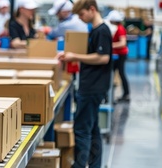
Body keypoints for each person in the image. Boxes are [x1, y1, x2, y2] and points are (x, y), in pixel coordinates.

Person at [56, 0, 112, 167]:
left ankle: (79, 165)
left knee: (81, 130)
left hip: (92, 88)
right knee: (93, 129)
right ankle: (95, 165)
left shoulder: (102, 30)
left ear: (92, 9)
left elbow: (103, 57)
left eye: (82, 14)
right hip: (92, 85)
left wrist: (76, 57)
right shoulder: (94, 30)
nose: (80, 19)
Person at [106, 10, 130, 101]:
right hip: (117, 54)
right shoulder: (116, 28)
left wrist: (110, 45)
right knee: (116, 73)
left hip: (120, 55)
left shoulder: (120, 29)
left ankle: (126, 94)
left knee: (121, 73)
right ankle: (111, 95)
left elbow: (123, 43)